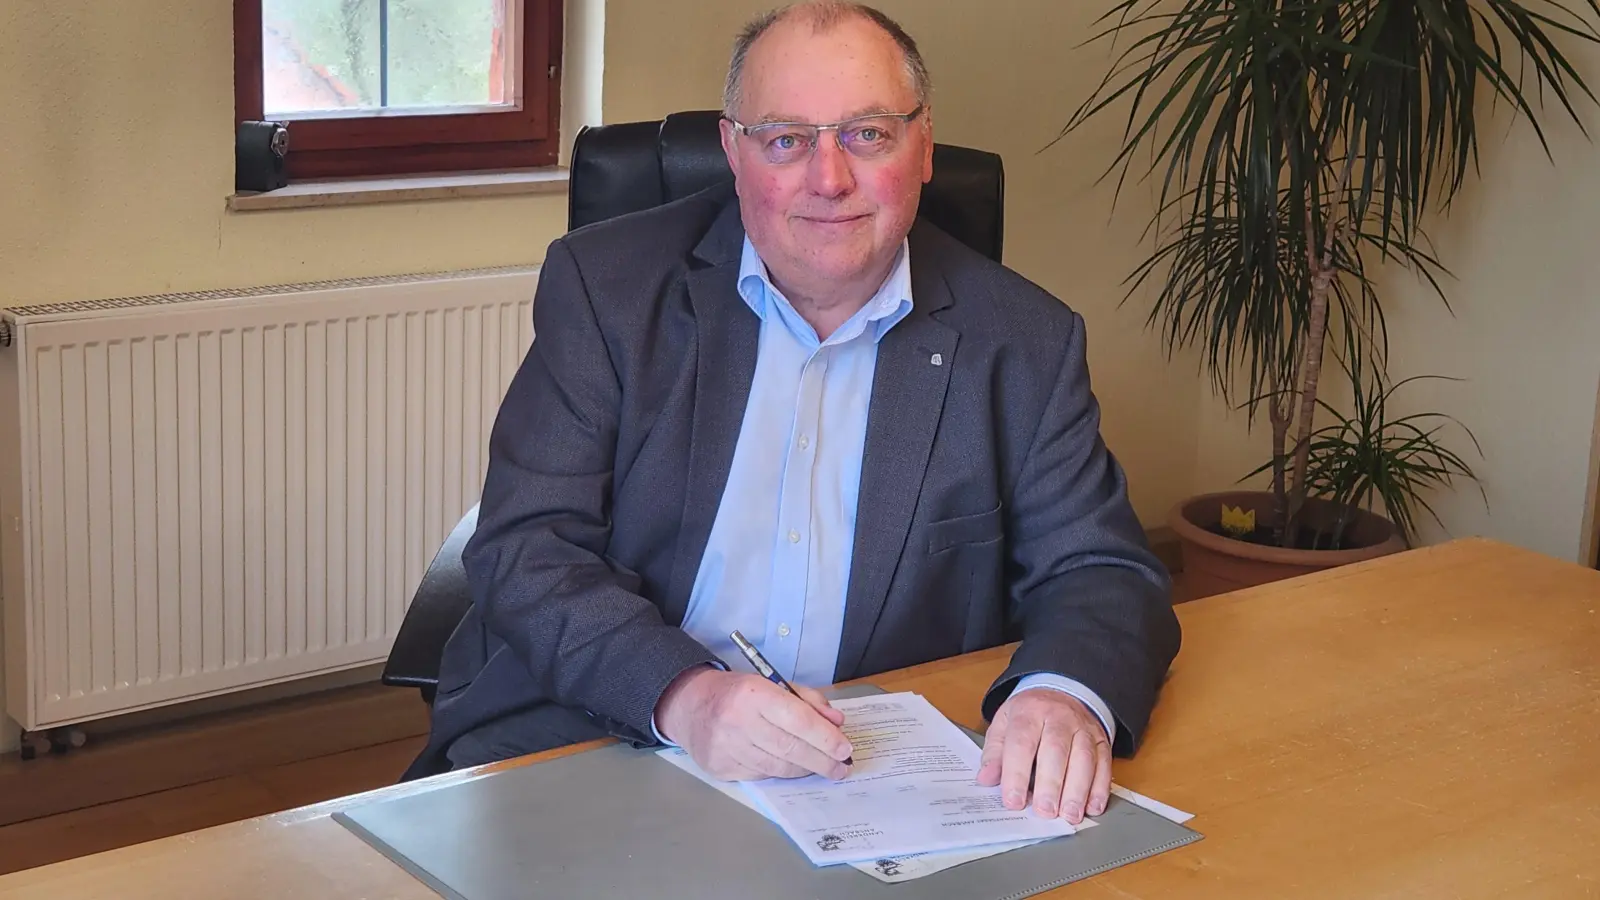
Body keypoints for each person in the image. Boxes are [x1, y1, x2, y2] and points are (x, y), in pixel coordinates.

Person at [402, 0, 1181, 827]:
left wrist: (1062, 692)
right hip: (600, 725)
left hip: (866, 767)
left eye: (868, 134)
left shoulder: (1023, 341)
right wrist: (683, 696)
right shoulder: (609, 291)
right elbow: (528, 546)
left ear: (922, 146)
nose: (829, 178)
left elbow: (1100, 571)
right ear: (733, 153)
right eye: (785, 140)